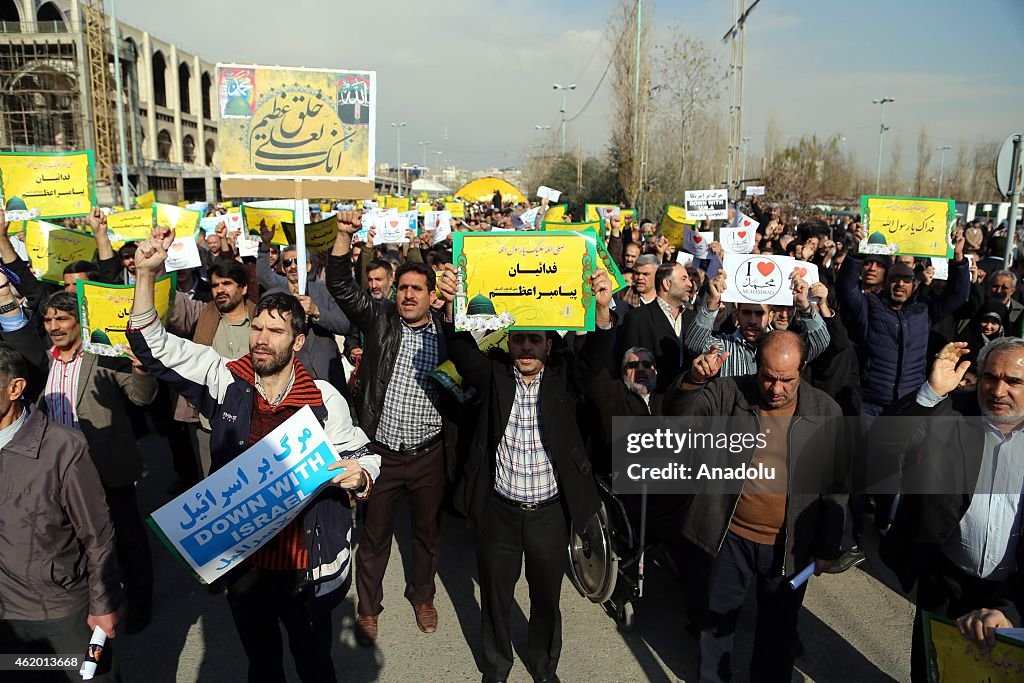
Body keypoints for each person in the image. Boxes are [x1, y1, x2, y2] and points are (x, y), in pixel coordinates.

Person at [126, 231, 380, 683]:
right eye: (257, 328)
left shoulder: (322, 400)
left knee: (315, 665)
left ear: (298, 342)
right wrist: (145, 275)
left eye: (276, 331)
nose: (261, 339)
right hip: (245, 568)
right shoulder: (223, 378)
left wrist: (359, 476)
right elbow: (154, 346)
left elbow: (365, 456)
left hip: (307, 569)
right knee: (261, 665)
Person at [435, 263, 602, 683]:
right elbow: (459, 347)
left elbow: (597, 357)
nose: (526, 349)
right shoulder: (493, 377)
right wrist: (455, 299)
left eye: (535, 340)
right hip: (500, 513)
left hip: (548, 514)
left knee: (546, 598)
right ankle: (496, 667)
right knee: (495, 597)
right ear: (508, 343)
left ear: (548, 346)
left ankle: (544, 667)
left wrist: (601, 311)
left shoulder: (564, 382)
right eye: (519, 340)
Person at [664, 331, 847, 683]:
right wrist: (693, 380)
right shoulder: (730, 392)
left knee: (778, 634)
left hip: (790, 547)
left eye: (786, 380)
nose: (775, 389)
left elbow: (836, 486)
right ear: (755, 366)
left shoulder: (825, 411)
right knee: (715, 625)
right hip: (729, 537)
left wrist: (827, 546)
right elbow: (678, 416)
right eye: (767, 377)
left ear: (802, 369)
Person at [326, 210, 458, 646]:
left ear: (431, 294)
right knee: (375, 536)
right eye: (402, 287)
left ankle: (423, 596)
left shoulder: (448, 333)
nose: (406, 295)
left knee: (426, 534)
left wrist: (458, 304)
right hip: (380, 454)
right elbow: (342, 286)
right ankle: (368, 608)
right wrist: (344, 235)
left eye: (416, 289)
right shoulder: (379, 320)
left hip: (428, 455)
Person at [3, 285, 158, 635]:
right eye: (48, 319)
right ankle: (91, 603)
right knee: (76, 541)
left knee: (126, 537)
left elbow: (142, 397)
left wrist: (141, 370)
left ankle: (141, 603)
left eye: (62, 318)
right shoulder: (40, 362)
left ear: (79, 322)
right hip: (57, 472)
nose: (54, 325)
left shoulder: (103, 355)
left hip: (106, 467)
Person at [875, 337, 1024, 683]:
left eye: (1014, 381)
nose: (998, 390)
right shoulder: (951, 411)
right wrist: (930, 392)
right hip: (945, 584)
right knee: (933, 671)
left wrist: (1013, 610)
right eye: (990, 377)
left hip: (1014, 593)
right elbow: (882, 445)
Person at [0, 341, 123, 682]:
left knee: (91, 676)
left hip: (62, 613)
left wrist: (103, 604)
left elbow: (98, 535)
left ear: (15, 388)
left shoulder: (63, 448)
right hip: (8, 620)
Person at [684, 270, 830, 377]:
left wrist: (804, 306)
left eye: (760, 313)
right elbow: (694, 344)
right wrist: (713, 303)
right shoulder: (723, 346)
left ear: (771, 315)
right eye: (747, 313)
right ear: (736, 314)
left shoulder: (784, 346)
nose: (753, 321)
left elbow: (820, 342)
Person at [257, 231, 352, 389]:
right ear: (282, 268)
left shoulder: (324, 291)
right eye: (288, 263)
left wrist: (316, 311)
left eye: (298, 261)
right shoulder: (274, 296)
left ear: (308, 265)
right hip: (291, 376)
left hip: (327, 374)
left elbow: (344, 325)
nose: (293, 266)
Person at [619, 262, 694, 391]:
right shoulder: (637, 318)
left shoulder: (693, 318)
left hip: (685, 402)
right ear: (667, 284)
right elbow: (628, 366)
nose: (690, 284)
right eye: (684, 279)